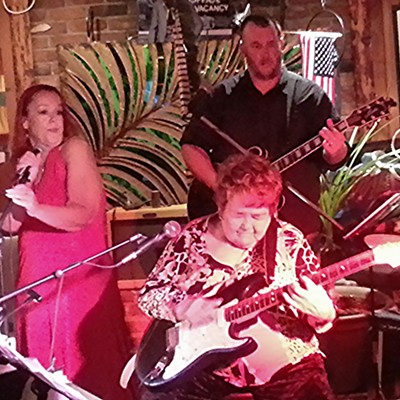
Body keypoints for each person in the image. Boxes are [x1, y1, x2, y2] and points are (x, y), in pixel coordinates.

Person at [137, 152, 336, 400]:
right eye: (238, 215)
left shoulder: (289, 240)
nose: (247, 226)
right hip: (204, 359)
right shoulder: (191, 238)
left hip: (283, 362)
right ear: (221, 208)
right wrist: (181, 307)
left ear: (273, 212)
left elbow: (317, 305)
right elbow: (149, 294)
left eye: (258, 217)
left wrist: (323, 314)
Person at [1, 84, 135, 400]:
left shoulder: (74, 149)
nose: (54, 119)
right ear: (24, 121)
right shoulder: (29, 162)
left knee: (85, 378)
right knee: (46, 384)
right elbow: (8, 226)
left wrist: (35, 206)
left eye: (58, 111)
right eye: (44, 112)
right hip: (38, 291)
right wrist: (28, 182)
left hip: (77, 287)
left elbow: (83, 213)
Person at [181, 13, 349, 238]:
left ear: (281, 43)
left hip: (295, 227)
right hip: (233, 231)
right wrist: (222, 189)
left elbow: (335, 159)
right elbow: (191, 147)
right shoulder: (222, 97)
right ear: (243, 49)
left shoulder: (310, 96)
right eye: (256, 45)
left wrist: (336, 151)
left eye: (271, 44)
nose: (266, 53)